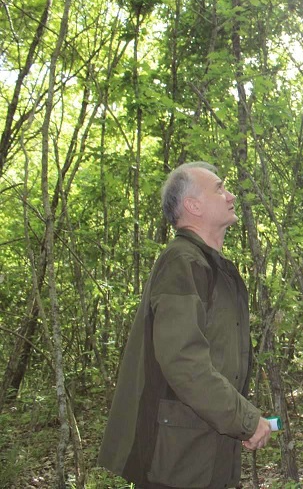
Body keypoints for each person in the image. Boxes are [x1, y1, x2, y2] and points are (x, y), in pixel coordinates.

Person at [98, 162, 272, 489]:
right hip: (178, 463)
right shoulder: (182, 262)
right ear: (193, 206)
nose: (230, 195)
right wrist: (246, 420)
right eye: (219, 188)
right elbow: (183, 362)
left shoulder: (211, 267)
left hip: (206, 453)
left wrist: (240, 423)